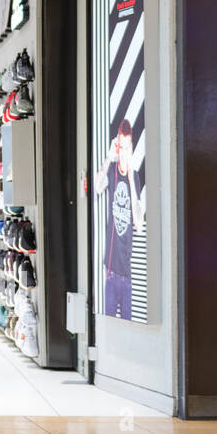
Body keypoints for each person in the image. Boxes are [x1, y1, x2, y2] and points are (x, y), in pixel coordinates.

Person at [94, 118, 146, 319]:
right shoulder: (113, 170)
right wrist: (108, 158)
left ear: (131, 147)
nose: (123, 152)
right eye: (120, 147)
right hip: (110, 273)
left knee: (128, 328)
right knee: (108, 326)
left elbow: (138, 224)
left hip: (126, 276)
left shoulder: (135, 177)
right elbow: (98, 187)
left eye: (127, 147)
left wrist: (132, 179)